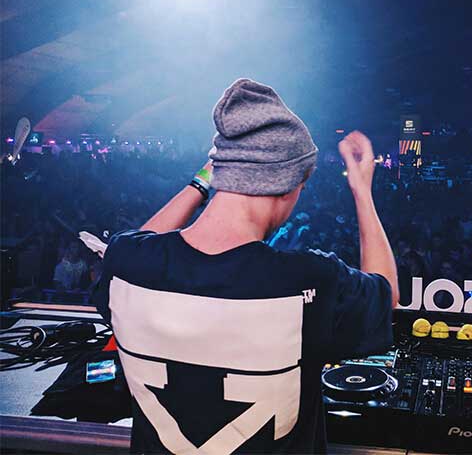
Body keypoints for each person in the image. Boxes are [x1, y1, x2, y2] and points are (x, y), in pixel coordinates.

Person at [93, 79, 398, 454]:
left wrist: (203, 181)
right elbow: (385, 292)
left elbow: (141, 243)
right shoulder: (309, 280)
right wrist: (362, 191)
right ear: (287, 186)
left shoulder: (126, 264)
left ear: (219, 173)